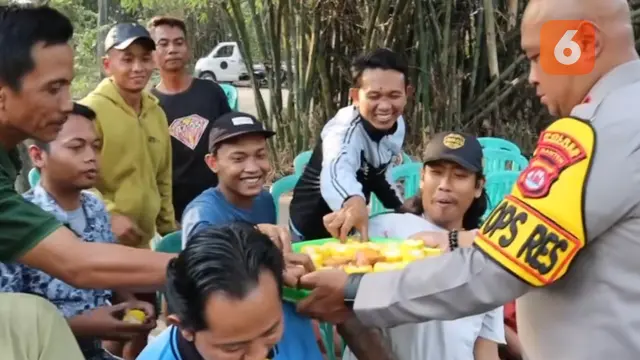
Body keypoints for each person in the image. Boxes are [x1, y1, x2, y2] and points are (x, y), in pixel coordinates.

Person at [295, 0, 640, 359]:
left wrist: (357, 291)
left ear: (584, 42)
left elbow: (499, 267)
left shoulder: (601, 132)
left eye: (538, 56)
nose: (532, 76)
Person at [0, 103, 156, 360]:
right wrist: (83, 325)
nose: (91, 156)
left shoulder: (95, 207)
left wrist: (128, 302)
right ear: (38, 156)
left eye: (95, 146)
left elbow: (106, 272)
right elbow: (10, 324)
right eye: (76, 147)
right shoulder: (19, 220)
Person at [342, 132, 504, 360]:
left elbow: (486, 350)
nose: (445, 185)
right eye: (436, 173)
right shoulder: (383, 231)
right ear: (421, 178)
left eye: (459, 176)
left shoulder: (487, 255)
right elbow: (346, 315)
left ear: (478, 186)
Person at [179, 112, 324, 360]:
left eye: (260, 155)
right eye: (238, 158)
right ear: (213, 163)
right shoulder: (203, 215)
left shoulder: (264, 199)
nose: (253, 168)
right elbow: (206, 291)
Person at [288, 48, 411, 242]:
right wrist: (353, 201)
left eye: (394, 95)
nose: (385, 106)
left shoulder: (398, 124)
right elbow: (337, 168)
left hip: (351, 225)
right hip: (309, 227)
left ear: (407, 94)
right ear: (355, 96)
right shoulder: (343, 129)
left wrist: (400, 206)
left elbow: (379, 171)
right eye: (374, 96)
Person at [137, 223, 290, 360]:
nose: (259, 355)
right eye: (233, 348)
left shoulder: (293, 312)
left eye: (270, 332)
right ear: (185, 329)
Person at [148, 16, 232, 221]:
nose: (172, 49)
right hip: (172, 211)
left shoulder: (211, 92)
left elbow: (231, 143)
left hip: (219, 202)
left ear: (188, 48)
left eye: (179, 42)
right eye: (163, 43)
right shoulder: (148, 104)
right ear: (151, 53)